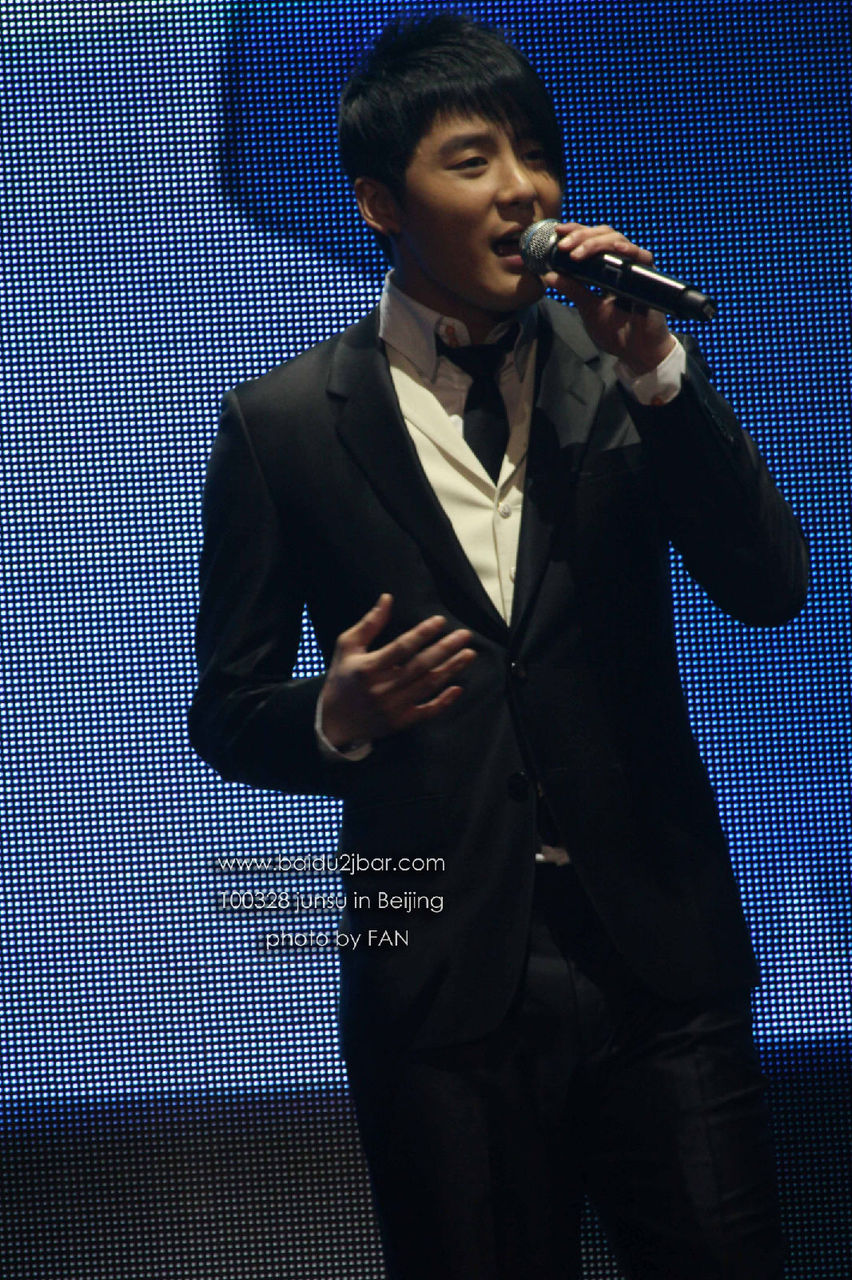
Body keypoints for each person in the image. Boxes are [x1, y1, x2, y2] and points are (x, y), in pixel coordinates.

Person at [189, 12, 808, 1278]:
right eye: (474, 160)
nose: (524, 188)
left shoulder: (623, 370)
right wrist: (336, 714)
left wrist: (660, 375)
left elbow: (771, 585)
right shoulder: (284, 425)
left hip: (661, 961)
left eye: (536, 154)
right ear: (380, 202)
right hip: (442, 985)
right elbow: (227, 708)